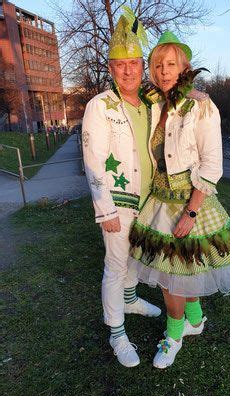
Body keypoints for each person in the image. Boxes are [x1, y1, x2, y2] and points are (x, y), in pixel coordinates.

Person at [129, 31, 230, 369]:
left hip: (189, 200)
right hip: (159, 199)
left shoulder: (201, 106)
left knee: (172, 276)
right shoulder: (154, 100)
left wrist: (191, 211)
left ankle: (173, 336)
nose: (163, 69)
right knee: (180, 273)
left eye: (170, 63)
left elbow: (212, 164)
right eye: (157, 63)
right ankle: (195, 321)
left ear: (183, 66)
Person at [82, 11, 161, 368]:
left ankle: (130, 299)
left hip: (149, 201)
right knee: (115, 265)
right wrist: (105, 208)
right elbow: (93, 160)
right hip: (118, 201)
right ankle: (117, 331)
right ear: (111, 69)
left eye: (133, 63)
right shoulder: (99, 106)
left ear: (142, 65)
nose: (127, 71)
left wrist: (200, 95)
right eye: (120, 65)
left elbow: (181, 104)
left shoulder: (150, 103)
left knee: (136, 258)